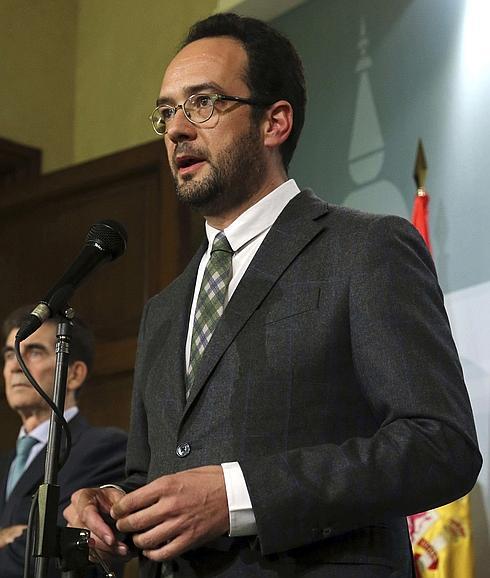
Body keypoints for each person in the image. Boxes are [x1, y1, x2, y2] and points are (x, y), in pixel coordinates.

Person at [64, 12, 482, 578]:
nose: (177, 129)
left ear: (274, 122)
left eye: (203, 103)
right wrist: (117, 509)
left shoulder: (365, 249)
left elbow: (440, 446)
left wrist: (239, 496)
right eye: (166, 112)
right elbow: (155, 474)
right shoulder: (164, 309)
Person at [0, 305, 128, 577]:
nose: (14, 366)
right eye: (10, 355)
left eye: (33, 352)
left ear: (74, 374)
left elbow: (54, 551)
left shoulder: (105, 448)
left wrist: (25, 539)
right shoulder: (4, 463)